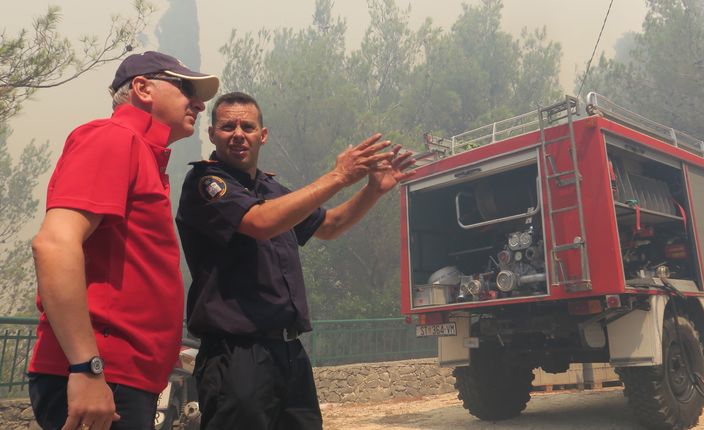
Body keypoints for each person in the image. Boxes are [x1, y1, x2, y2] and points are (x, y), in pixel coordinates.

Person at [176, 91, 415, 429]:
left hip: (288, 351)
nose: (238, 134)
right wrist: (339, 176)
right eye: (228, 126)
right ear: (213, 134)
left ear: (264, 135)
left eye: (248, 126)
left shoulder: (273, 191)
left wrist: (373, 189)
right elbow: (261, 223)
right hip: (237, 355)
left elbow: (330, 226)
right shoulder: (206, 184)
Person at [28, 51, 219, 430]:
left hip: (122, 378)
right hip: (102, 376)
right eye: (185, 88)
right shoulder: (113, 138)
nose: (198, 103)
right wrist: (87, 367)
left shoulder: (145, 155)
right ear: (143, 88)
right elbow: (53, 245)